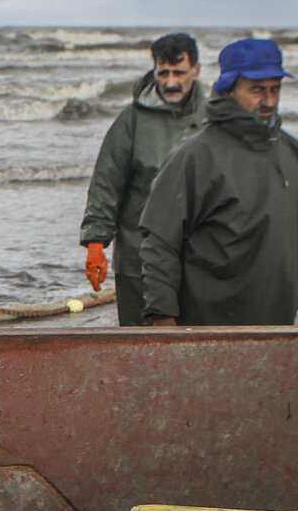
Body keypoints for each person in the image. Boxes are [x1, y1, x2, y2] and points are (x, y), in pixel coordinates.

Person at [139, 38, 298, 326]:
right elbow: (160, 243)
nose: (269, 101)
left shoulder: (292, 154)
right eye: (257, 90)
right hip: (208, 324)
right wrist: (164, 317)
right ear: (228, 89)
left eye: (275, 89)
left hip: (278, 321)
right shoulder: (195, 156)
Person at [79, 33, 205, 326]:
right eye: (164, 73)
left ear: (196, 70)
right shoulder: (131, 120)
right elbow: (106, 183)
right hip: (139, 258)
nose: (171, 82)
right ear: (154, 69)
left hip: (199, 258)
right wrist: (96, 242)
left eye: (180, 73)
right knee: (139, 343)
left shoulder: (214, 116)